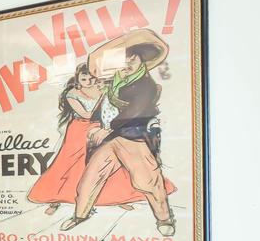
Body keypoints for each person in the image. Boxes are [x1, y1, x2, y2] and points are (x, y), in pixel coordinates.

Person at [60, 29, 177, 236]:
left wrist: (107, 130)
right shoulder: (113, 83)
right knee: (90, 178)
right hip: (110, 139)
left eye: (133, 58)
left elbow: (134, 113)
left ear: (141, 59)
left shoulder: (145, 85)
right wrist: (97, 124)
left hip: (134, 138)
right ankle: (80, 214)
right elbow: (101, 107)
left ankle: (164, 219)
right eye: (123, 61)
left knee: (147, 181)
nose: (128, 64)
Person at [28, 63, 169, 213]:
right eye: (84, 78)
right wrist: (105, 100)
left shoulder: (103, 88)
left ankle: (117, 197)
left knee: (113, 159)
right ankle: (55, 199)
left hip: (102, 127)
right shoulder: (73, 93)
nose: (88, 81)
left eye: (91, 78)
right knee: (69, 163)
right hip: (79, 128)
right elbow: (86, 115)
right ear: (78, 78)